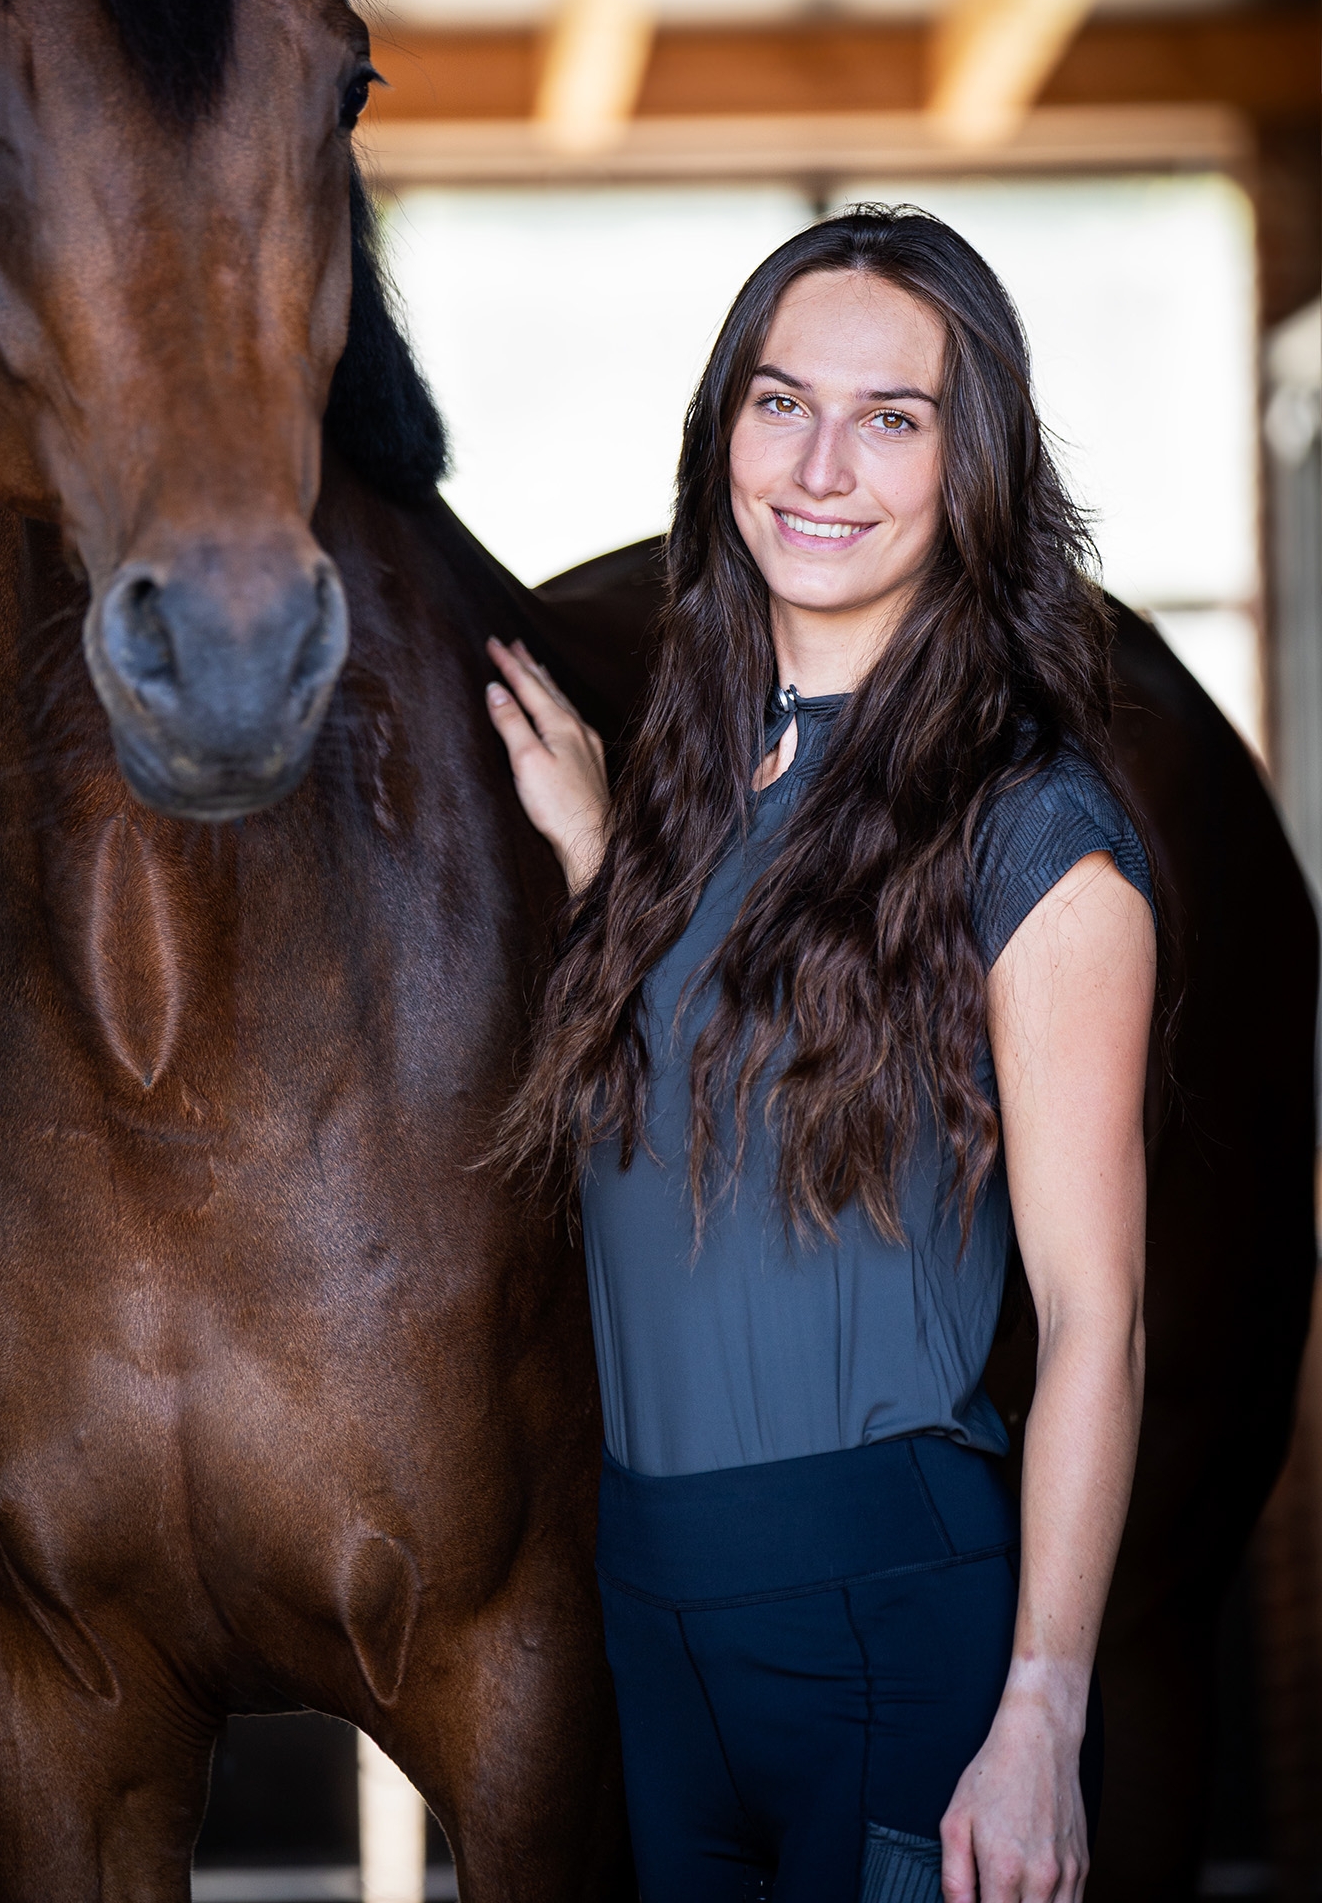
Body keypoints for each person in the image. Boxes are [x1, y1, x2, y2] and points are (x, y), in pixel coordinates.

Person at [483, 207, 1156, 1903]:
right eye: (781, 404)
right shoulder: (697, 792)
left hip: (884, 1622)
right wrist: (598, 865)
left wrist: (1042, 1719)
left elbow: (1099, 1321)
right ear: (725, 433)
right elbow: (694, 1084)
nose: (822, 465)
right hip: (652, 1618)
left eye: (892, 419)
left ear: (970, 465)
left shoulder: (1037, 834)